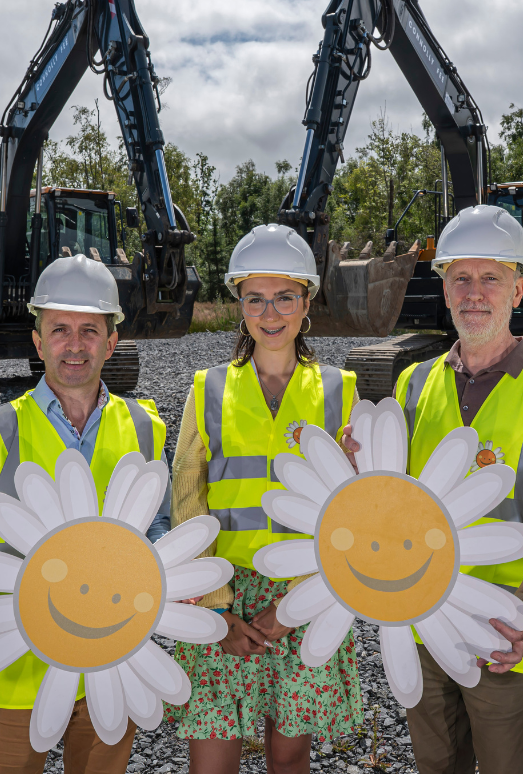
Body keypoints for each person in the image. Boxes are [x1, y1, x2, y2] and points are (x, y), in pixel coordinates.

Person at [347, 205, 523, 774]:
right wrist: (355, 467)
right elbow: (391, 505)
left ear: (518, 287)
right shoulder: (412, 386)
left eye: (492, 278)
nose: (475, 293)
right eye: (461, 277)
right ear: (445, 288)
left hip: (507, 633)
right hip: (422, 620)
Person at [0, 254, 169, 774]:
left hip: (115, 660)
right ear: (38, 340)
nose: (75, 344)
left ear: (111, 342)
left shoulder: (144, 426)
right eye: (60, 329)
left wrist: (171, 574)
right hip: (21, 663)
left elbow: (155, 525)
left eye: (90, 329)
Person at [168, 224, 363, 774]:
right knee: (211, 759)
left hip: (304, 593)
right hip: (219, 594)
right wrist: (220, 611)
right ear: (240, 304)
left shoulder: (340, 391)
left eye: (284, 297)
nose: (270, 312)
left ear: (307, 302)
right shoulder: (207, 389)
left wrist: (292, 606)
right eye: (255, 298)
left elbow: (352, 513)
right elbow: (187, 502)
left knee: (289, 757)